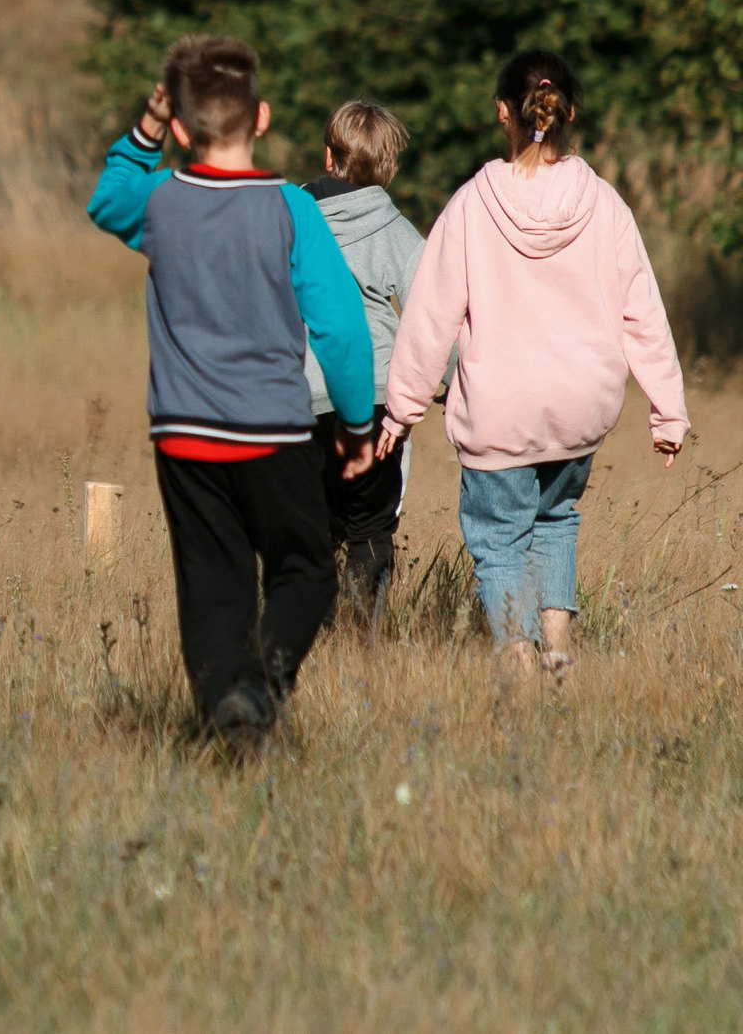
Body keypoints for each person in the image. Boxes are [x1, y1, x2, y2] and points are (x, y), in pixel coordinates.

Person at [86, 37, 377, 746]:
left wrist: (146, 127)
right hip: (274, 431)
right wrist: (357, 424)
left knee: (212, 586)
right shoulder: (291, 209)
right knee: (306, 570)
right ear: (263, 117)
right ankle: (262, 683)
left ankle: (229, 713)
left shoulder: (161, 201)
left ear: (182, 131)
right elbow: (340, 327)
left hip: (184, 435)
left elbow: (107, 199)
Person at [379, 50, 687, 681]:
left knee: (499, 541)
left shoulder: (472, 205)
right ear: (568, 113)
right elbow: (643, 311)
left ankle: (519, 673)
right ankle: (560, 661)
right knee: (555, 522)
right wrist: (668, 411)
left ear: (503, 113)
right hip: (581, 406)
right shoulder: (605, 204)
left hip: (501, 408)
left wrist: (402, 409)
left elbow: (431, 315)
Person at [300, 100, 432, 622]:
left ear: (327, 157)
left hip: (297, 400)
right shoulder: (397, 231)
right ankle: (362, 643)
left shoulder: (287, 220)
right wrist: (453, 381)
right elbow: (431, 317)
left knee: (307, 530)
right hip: (373, 399)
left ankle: (309, 640)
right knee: (370, 530)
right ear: (387, 168)